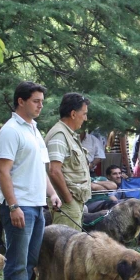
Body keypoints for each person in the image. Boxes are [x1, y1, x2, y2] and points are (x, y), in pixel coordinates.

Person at [0, 81, 62, 280]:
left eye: (42, 101)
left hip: (37, 206)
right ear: (21, 101)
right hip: (19, 205)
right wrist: (13, 206)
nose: (40, 106)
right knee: (16, 263)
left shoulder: (34, 129)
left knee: (29, 262)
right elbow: (3, 171)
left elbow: (41, 170)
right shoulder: (11, 130)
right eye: (36, 101)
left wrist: (52, 193)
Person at [45, 93, 92, 231]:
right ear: (73, 114)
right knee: (66, 251)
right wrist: (68, 200)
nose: (85, 118)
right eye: (84, 114)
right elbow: (54, 170)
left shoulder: (67, 134)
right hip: (66, 203)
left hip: (73, 202)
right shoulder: (59, 135)